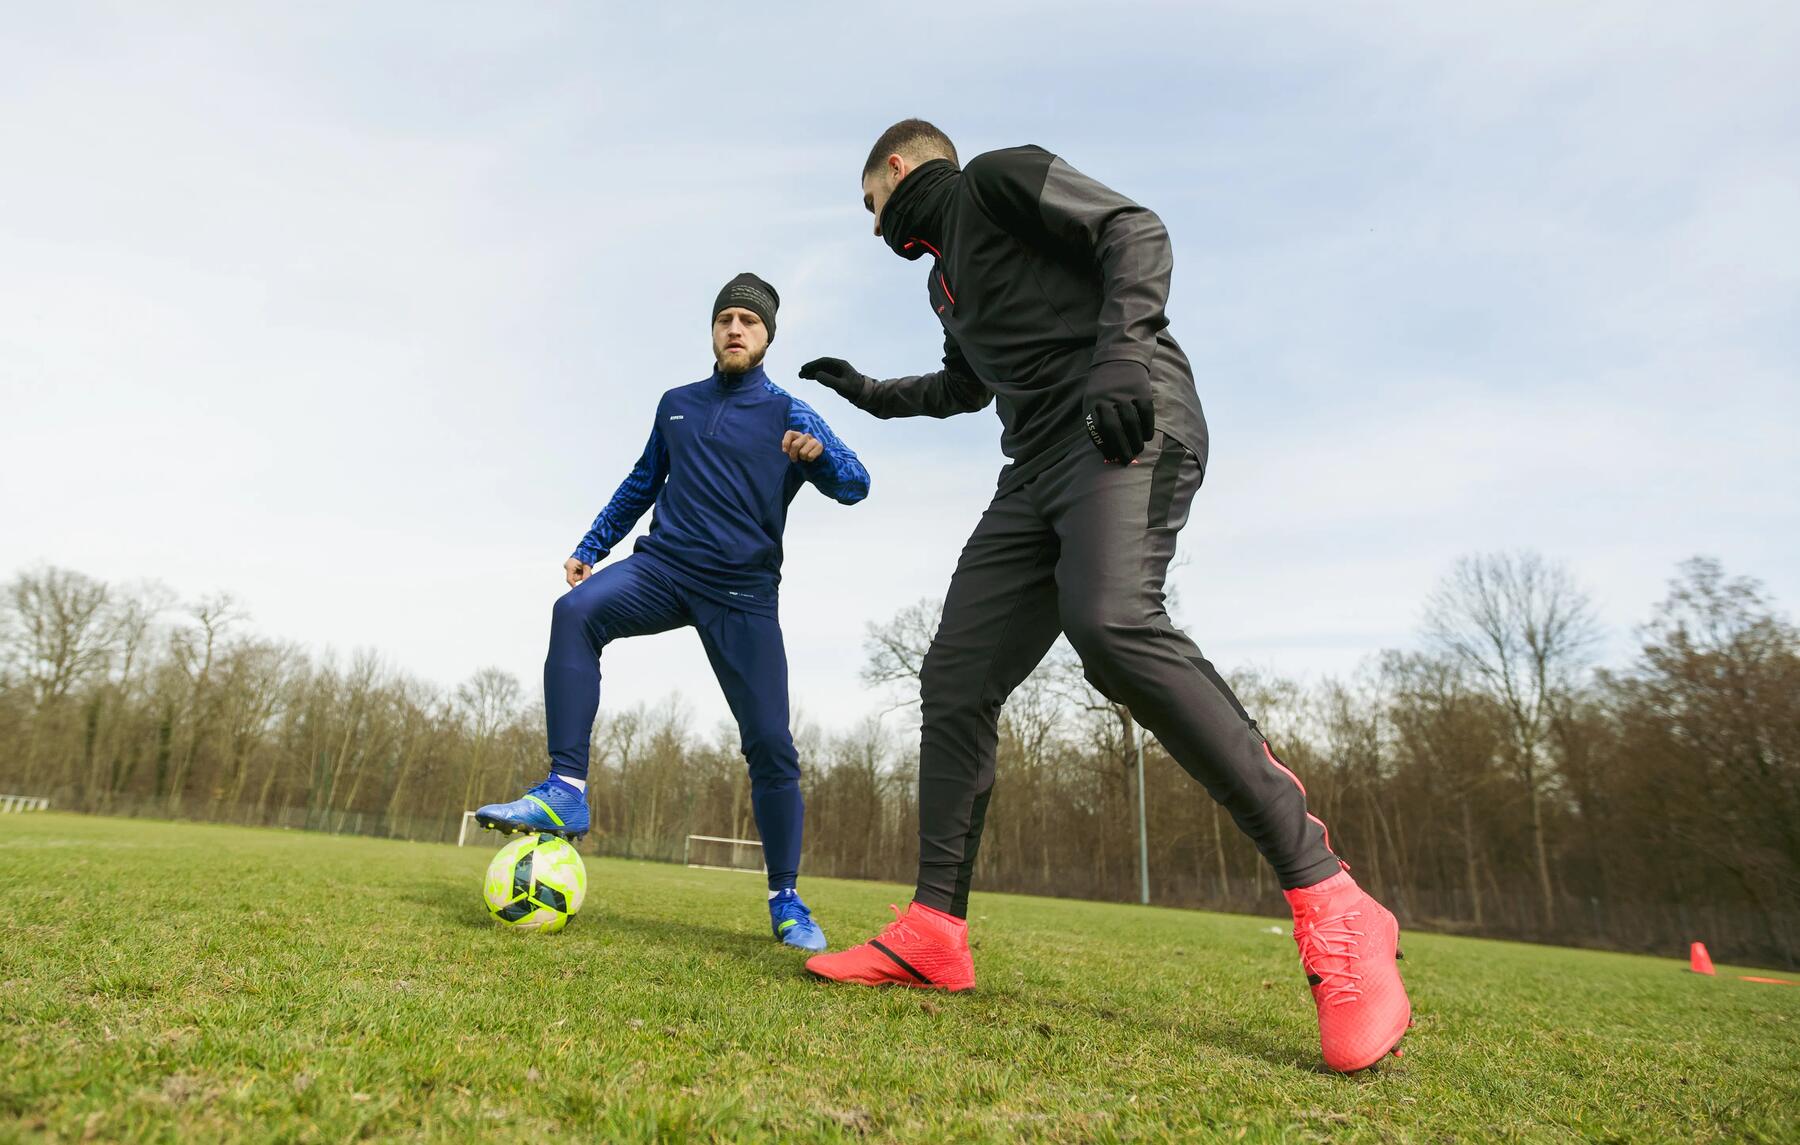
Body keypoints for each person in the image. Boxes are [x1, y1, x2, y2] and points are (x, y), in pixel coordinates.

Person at [797, 121, 1410, 1071]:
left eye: (868, 200)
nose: (871, 222)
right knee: (955, 673)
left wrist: (1125, 351)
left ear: (896, 169)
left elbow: (1136, 229)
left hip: (1123, 415)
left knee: (1111, 622)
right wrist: (874, 394)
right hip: (1033, 466)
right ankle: (932, 929)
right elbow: (967, 386)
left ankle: (1334, 899)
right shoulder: (942, 282)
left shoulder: (996, 179)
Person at [476, 273, 870, 952]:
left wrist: (822, 456)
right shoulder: (676, 404)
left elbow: (856, 483)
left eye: (749, 320)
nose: (736, 329)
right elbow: (641, 482)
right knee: (574, 613)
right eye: (726, 319)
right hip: (663, 568)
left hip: (742, 594)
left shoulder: (789, 412)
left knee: (771, 744)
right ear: (713, 331)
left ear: (768, 335)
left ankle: (785, 897)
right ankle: (566, 787)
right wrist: (591, 546)